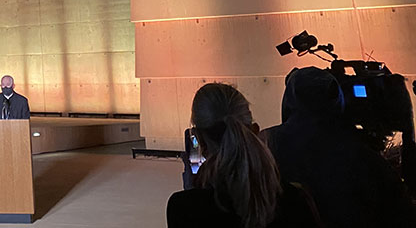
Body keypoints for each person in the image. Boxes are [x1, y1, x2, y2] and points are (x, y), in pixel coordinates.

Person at [264, 67, 416, 228]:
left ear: (288, 100)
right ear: (338, 99)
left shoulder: (264, 144)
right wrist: (407, 129)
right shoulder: (363, 157)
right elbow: (404, 214)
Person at [166, 82, 320, 228]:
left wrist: (191, 195)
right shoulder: (295, 201)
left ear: (200, 140)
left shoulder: (182, 208)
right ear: (254, 131)